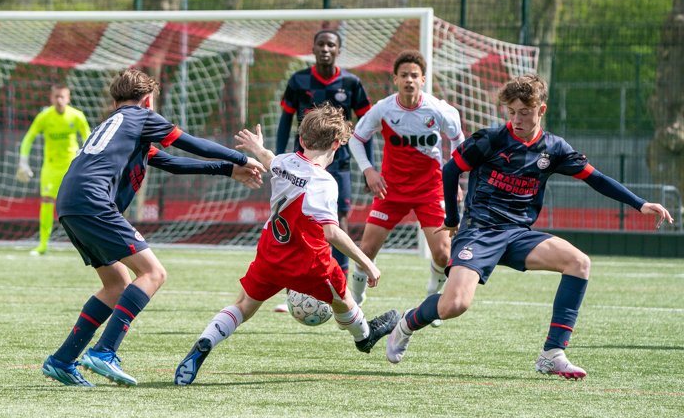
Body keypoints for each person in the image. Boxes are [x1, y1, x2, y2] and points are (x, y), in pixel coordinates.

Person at [384, 74, 673, 379]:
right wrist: (453, 220)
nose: (516, 119)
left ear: (541, 110)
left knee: (579, 262)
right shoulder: (489, 140)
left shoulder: (554, 148)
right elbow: (450, 171)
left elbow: (596, 179)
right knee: (454, 305)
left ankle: (552, 353)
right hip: (479, 230)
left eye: (524, 112)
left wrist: (640, 204)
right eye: (511, 112)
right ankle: (408, 323)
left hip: (519, 234)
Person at [41, 68, 266, 388]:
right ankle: (104, 351)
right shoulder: (141, 117)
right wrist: (242, 159)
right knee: (154, 273)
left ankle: (62, 360)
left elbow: (172, 163)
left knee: (116, 284)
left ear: (115, 101)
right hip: (92, 201)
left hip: (69, 203)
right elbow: (191, 144)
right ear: (148, 100)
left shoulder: (116, 127)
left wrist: (228, 170)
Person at [174, 107, 400, 386]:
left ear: (302, 141)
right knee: (343, 300)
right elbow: (332, 232)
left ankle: (207, 339)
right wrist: (366, 263)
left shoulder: (284, 162)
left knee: (242, 305)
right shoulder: (324, 182)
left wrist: (258, 148)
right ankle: (364, 337)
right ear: (335, 145)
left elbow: (270, 160)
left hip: (270, 256)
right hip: (310, 265)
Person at [347, 50, 464, 322]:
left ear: (423, 79)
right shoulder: (383, 109)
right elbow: (356, 139)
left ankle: (433, 297)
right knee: (366, 250)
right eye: (404, 75)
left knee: (443, 253)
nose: (409, 80)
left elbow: (459, 142)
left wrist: (455, 179)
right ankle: (356, 301)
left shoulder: (438, 110)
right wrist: (368, 171)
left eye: (414, 75)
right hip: (391, 190)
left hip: (430, 189)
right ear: (395, 80)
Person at [276, 29, 373, 286]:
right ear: (313, 49)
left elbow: (367, 128)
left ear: (338, 50)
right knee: (297, 219)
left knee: (338, 220)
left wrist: (369, 167)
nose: (325, 49)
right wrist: (278, 158)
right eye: (321, 44)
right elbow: (285, 121)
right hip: (302, 164)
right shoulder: (298, 80)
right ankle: (296, 287)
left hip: (338, 164)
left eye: (331, 45)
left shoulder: (351, 83)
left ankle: (340, 286)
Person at [16, 84, 91, 255]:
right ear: (51, 98)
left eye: (62, 96)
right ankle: (43, 245)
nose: (59, 100)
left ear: (68, 98)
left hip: (71, 166)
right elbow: (29, 137)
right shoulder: (44, 117)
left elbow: (87, 136)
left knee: (79, 203)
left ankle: (86, 244)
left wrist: (87, 158)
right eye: (56, 96)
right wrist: (23, 161)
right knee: (47, 201)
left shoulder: (76, 116)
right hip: (50, 167)